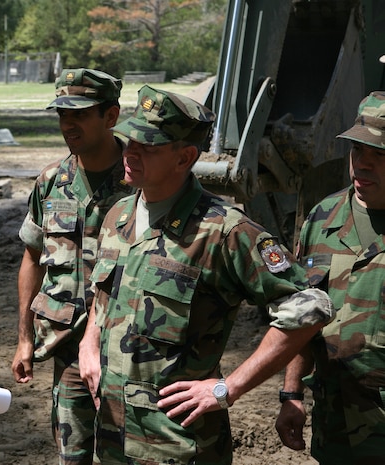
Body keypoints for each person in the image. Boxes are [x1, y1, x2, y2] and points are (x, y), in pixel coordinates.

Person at [77, 85, 335, 465]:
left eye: (146, 147)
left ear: (184, 158)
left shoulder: (223, 231)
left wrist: (227, 388)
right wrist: (89, 339)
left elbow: (310, 309)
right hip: (114, 436)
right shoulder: (118, 215)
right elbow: (106, 294)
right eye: (129, 141)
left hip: (178, 444)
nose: (129, 153)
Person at [10, 68, 135, 465]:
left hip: (128, 352)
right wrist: (25, 338)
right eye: (63, 115)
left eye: (79, 114)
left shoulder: (140, 178)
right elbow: (32, 258)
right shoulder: (51, 181)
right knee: (71, 455)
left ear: (111, 116)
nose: (68, 125)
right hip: (67, 349)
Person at [275, 91, 385, 464]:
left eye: (379, 155)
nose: (362, 166)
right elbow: (303, 315)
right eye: (358, 151)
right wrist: (291, 394)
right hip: (335, 429)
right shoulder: (323, 218)